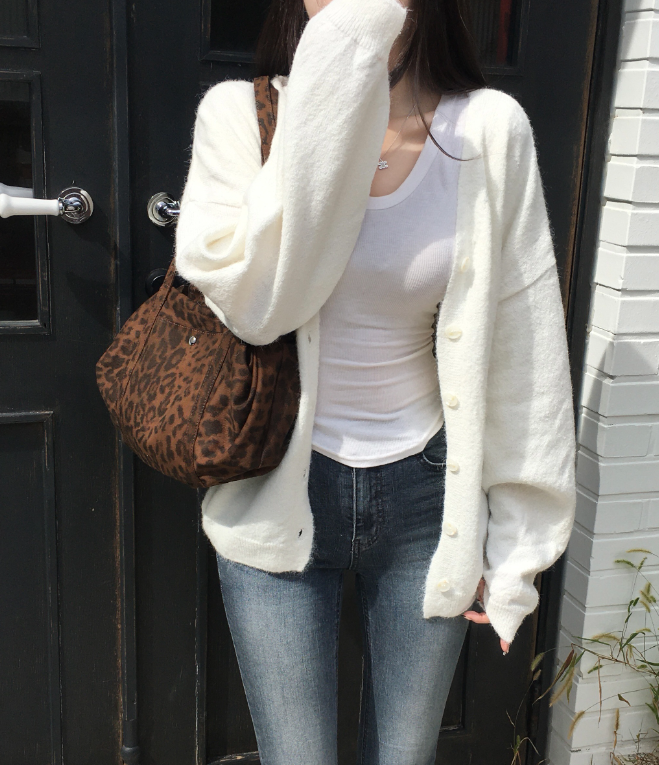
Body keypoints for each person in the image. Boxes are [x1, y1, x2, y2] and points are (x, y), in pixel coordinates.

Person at [175, 0, 576, 762]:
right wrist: (335, 80)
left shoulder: (488, 131)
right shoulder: (239, 119)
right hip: (278, 484)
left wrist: (516, 547)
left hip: (427, 499)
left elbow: (525, 348)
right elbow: (258, 304)